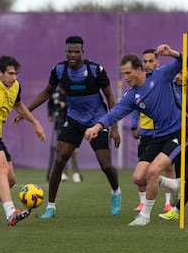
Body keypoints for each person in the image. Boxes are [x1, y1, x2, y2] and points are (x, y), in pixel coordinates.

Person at [16, 35, 122, 219]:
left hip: (98, 120)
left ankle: (115, 191)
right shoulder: (59, 70)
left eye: (76, 51)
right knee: (59, 161)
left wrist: (113, 127)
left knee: (105, 165)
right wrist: (26, 112)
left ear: (82, 52)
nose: (73, 55)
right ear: (65, 52)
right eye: (69, 51)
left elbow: (110, 97)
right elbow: (47, 92)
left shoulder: (95, 70)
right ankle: (51, 207)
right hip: (73, 119)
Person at [84, 44, 188, 226]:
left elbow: (186, 62)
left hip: (179, 130)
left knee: (153, 171)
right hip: (159, 134)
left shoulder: (161, 75)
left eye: (127, 73)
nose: (125, 78)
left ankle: (145, 216)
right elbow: (115, 113)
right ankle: (175, 185)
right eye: (123, 74)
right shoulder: (132, 96)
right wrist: (97, 126)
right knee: (138, 178)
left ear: (139, 70)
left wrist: (171, 53)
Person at [0, 55, 46, 226]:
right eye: (10, 74)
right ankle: (10, 212)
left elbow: (18, 105)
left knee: (11, 179)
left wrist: (35, 122)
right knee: (2, 168)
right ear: (0, 72)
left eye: (16, 74)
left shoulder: (15, 87)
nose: (14, 78)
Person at [130, 49, 175, 213]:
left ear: (158, 62)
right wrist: (134, 125)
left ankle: (168, 203)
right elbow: (135, 105)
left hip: (166, 130)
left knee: (169, 167)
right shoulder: (139, 83)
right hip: (147, 131)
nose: (148, 64)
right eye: (145, 61)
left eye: (151, 61)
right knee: (142, 168)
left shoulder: (164, 80)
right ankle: (142, 202)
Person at [158, 60, 188, 220]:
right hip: (182, 137)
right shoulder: (172, 90)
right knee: (182, 179)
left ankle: (175, 211)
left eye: (181, 73)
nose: (178, 77)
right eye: (176, 73)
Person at [47, 87, 83, 182]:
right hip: (59, 124)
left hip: (71, 124)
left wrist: (66, 104)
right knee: (61, 150)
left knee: (73, 150)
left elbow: (78, 105)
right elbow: (50, 104)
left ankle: (76, 173)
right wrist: (50, 114)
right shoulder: (55, 94)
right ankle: (63, 172)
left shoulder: (72, 92)